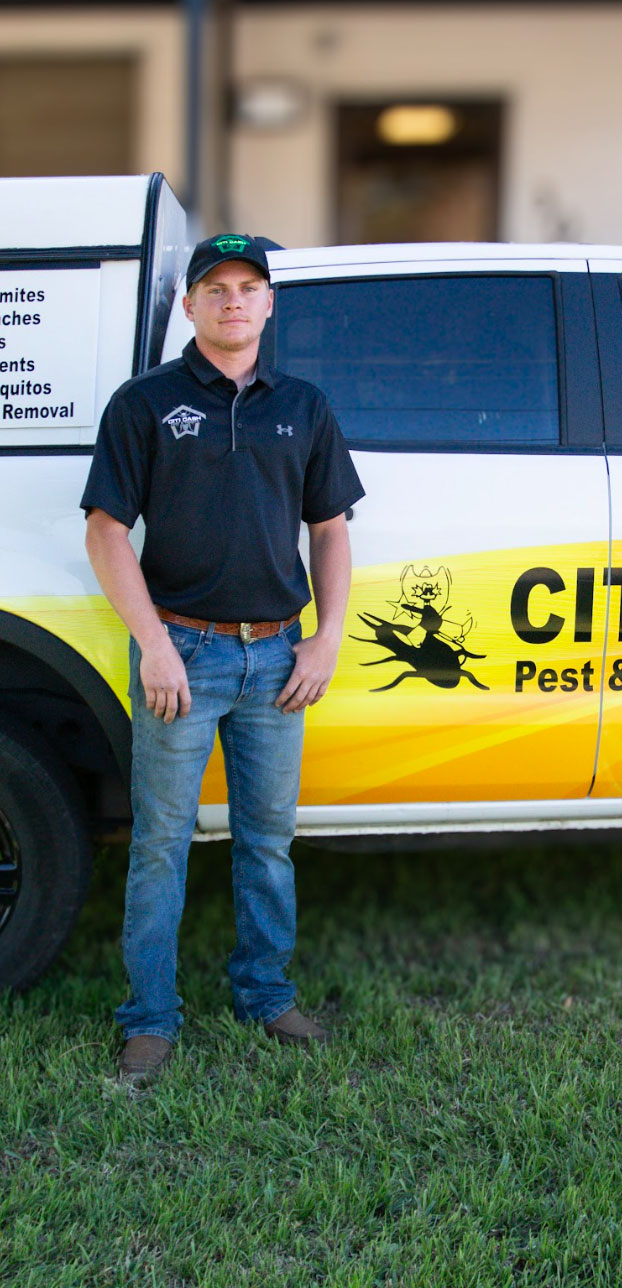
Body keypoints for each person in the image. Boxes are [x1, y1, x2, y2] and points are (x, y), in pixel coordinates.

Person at [82, 233, 363, 1082]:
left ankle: (266, 995)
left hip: (278, 658)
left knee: (268, 841)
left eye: (248, 287)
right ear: (191, 304)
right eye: (216, 287)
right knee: (161, 844)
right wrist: (154, 646)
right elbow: (104, 533)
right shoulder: (145, 403)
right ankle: (151, 1019)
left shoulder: (304, 406)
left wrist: (327, 636)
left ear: (269, 304)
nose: (233, 300)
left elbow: (330, 530)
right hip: (184, 655)